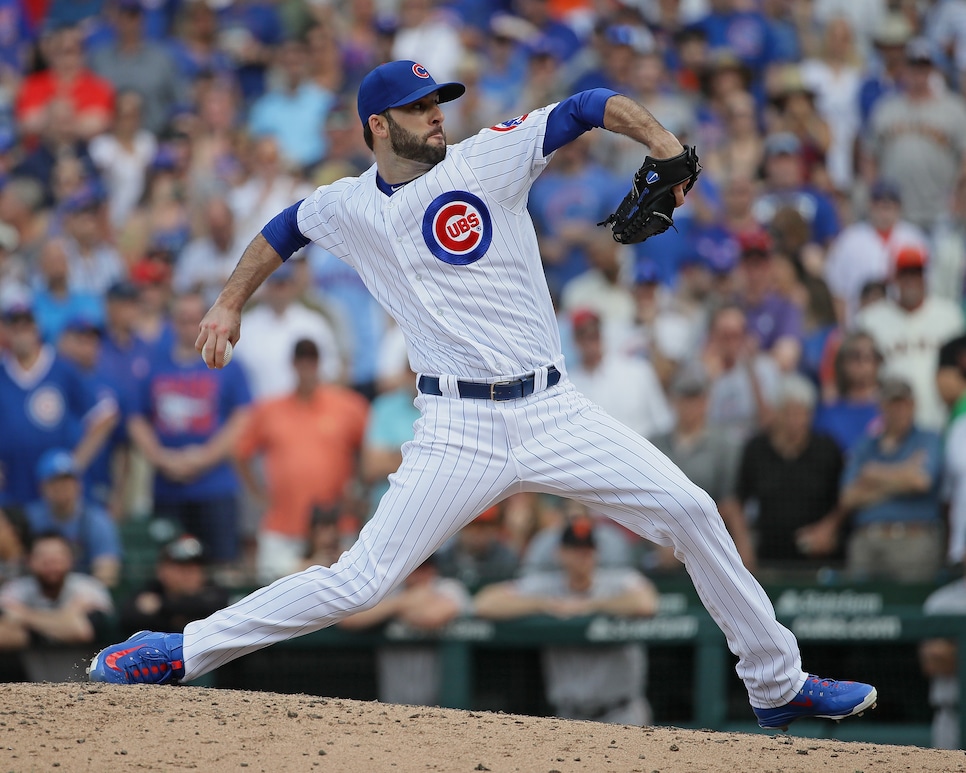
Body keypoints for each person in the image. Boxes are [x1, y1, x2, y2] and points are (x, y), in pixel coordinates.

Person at [89, 59, 876, 731]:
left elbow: (587, 106)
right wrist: (229, 300)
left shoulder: (484, 162)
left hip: (552, 409)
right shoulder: (348, 204)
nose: (436, 117)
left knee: (692, 511)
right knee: (359, 579)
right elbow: (284, 229)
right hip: (457, 427)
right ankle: (179, 650)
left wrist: (663, 144)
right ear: (376, 126)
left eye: (439, 105)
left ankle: (777, 685)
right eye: (418, 109)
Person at [474, 518, 658, 725]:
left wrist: (590, 605)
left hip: (621, 712)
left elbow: (646, 603)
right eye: (574, 549)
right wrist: (544, 604)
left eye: (587, 549)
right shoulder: (546, 585)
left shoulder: (619, 580)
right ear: (559, 553)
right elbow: (485, 603)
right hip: (569, 716)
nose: (582, 556)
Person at [235, 338, 368, 584]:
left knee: (339, 599)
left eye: (311, 360)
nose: (307, 366)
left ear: (319, 363)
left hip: (333, 528)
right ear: (293, 364)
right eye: (301, 360)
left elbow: (368, 451)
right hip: (283, 524)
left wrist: (358, 491)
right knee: (274, 596)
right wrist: (257, 494)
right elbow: (241, 452)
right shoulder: (269, 409)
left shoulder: (348, 406)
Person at [730, 374, 845, 575]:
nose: (794, 421)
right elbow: (737, 501)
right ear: (777, 413)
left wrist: (828, 528)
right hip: (768, 557)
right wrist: (743, 545)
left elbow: (845, 499)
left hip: (818, 559)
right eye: (788, 413)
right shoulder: (756, 449)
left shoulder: (827, 449)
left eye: (801, 414)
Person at [339, 553, 471, 708]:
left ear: (432, 570)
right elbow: (347, 620)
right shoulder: (391, 591)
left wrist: (389, 610)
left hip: (440, 704)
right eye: (411, 569)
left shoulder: (448, 587)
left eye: (421, 569)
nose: (414, 576)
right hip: (391, 702)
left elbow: (432, 617)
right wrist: (403, 602)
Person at [0, 531, 114, 682]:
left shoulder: (90, 588)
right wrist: (65, 619)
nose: (51, 563)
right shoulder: (14, 590)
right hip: (26, 681)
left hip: (87, 684)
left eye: (58, 556)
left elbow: (81, 632)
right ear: (29, 561)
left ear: (70, 559)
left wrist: (25, 618)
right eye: (43, 557)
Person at [24, 448, 122, 588]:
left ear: (79, 485)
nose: (62, 487)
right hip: (38, 593)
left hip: (83, 595)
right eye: (55, 482)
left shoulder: (96, 520)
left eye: (67, 481)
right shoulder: (30, 518)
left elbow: (107, 573)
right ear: (42, 487)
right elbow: (17, 565)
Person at [118, 534, 231, 638]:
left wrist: (162, 606)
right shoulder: (151, 589)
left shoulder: (214, 592)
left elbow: (213, 605)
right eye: (182, 568)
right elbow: (128, 617)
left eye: (195, 568)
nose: (189, 574)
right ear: (162, 570)